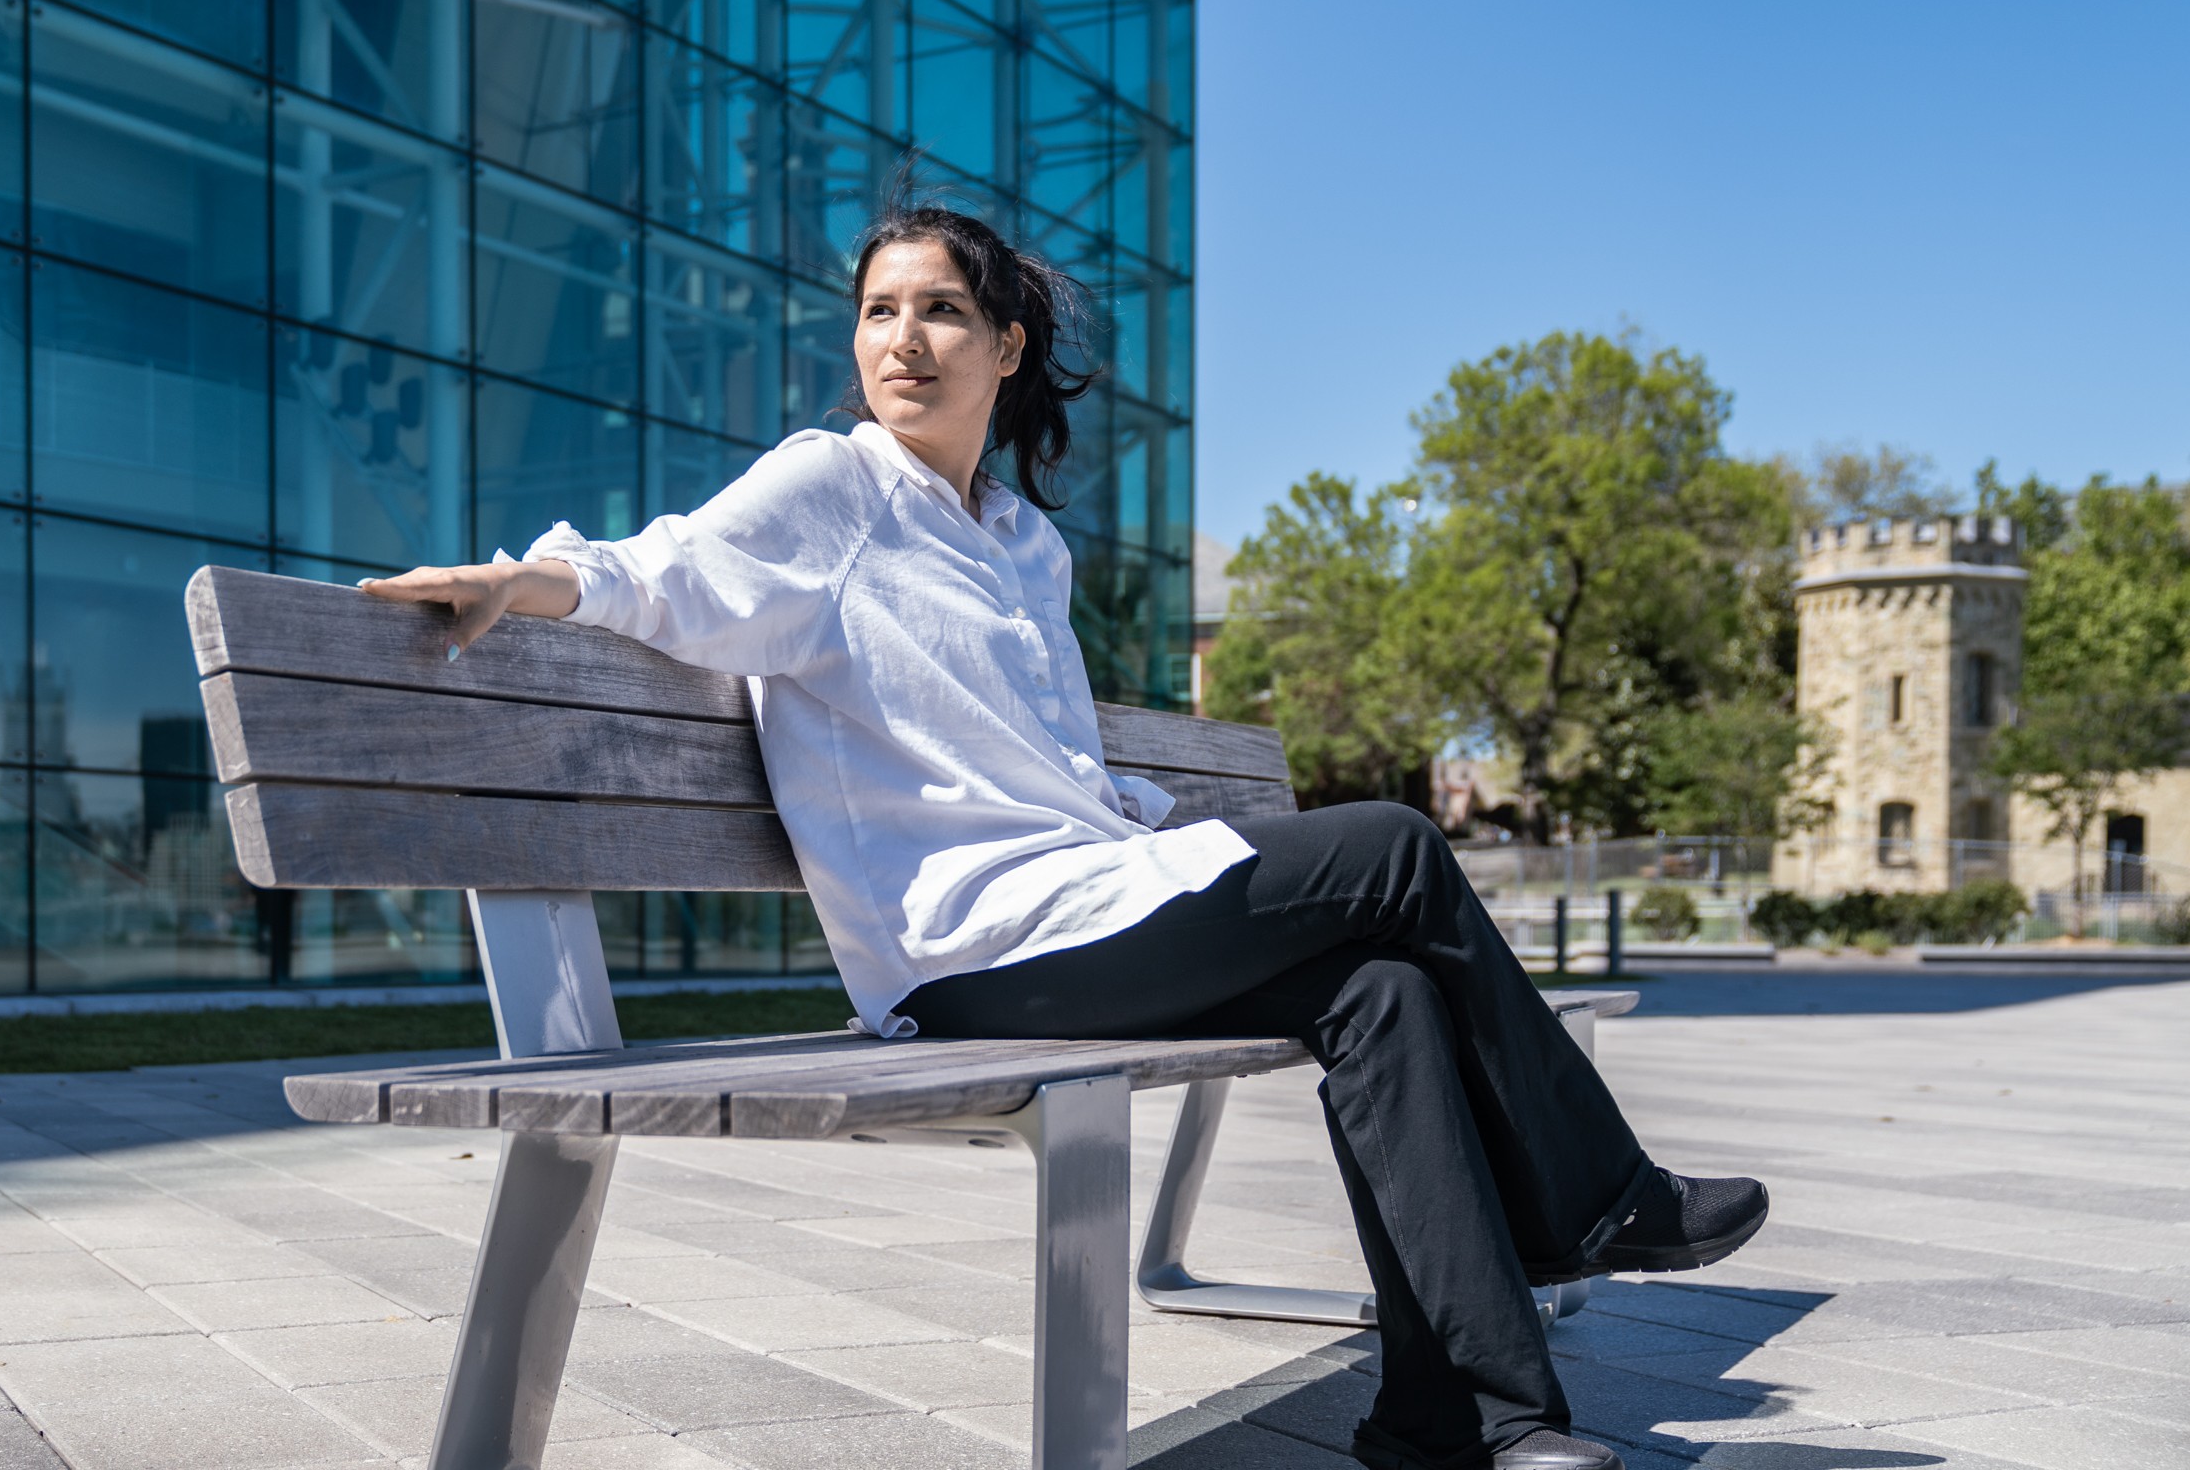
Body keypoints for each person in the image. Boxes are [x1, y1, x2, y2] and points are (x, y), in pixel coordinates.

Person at [359, 206, 1766, 1470]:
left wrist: (1165, 832)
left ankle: (1465, 1418)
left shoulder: (1028, 547)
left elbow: (1051, 766)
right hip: (963, 954)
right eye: (878, 311)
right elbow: (677, 571)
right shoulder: (832, 489)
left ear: (1009, 344)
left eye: (941, 311)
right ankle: (1602, 1201)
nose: (901, 340)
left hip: (1082, 903)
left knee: (1383, 995)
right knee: (1395, 846)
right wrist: (525, 581)